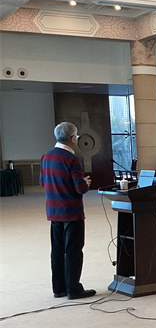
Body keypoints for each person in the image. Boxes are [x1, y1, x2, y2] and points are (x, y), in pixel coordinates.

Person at [39, 122, 96, 300]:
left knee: (57, 250)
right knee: (73, 250)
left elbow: (42, 182)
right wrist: (85, 182)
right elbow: (80, 189)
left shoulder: (46, 156)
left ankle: (59, 288)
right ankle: (73, 289)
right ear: (72, 139)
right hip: (72, 211)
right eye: (76, 136)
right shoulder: (71, 159)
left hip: (53, 211)